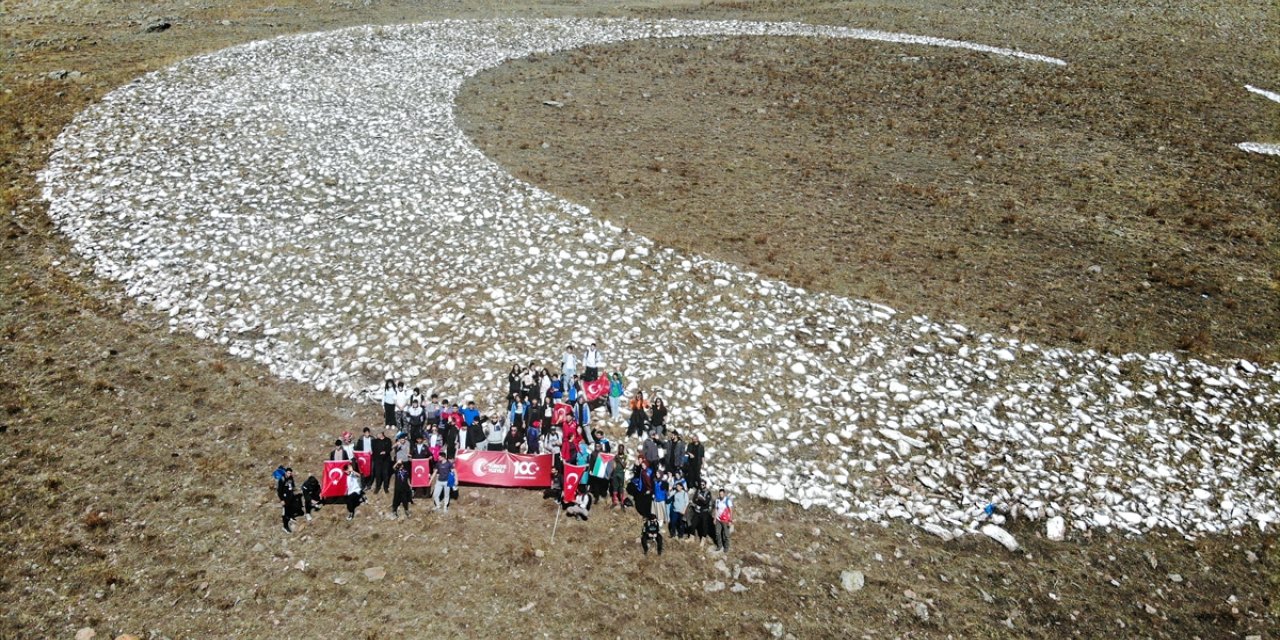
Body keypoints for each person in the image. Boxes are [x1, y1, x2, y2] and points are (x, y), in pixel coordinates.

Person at [276, 467, 305, 532]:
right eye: (288, 473)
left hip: (290, 497)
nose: (289, 474)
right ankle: (285, 526)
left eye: (290, 473)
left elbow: (292, 486)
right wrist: (281, 500)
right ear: (286, 472)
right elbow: (279, 491)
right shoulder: (282, 479)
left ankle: (291, 517)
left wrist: (296, 490)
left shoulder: (291, 478)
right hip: (285, 498)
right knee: (285, 512)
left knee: (292, 507)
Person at [371, 429, 393, 494]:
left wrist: (385, 452)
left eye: (378, 434)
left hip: (386, 460)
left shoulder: (387, 440)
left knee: (385, 474)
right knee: (378, 474)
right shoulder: (374, 441)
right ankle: (377, 487)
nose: (376, 435)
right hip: (377, 460)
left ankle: (386, 487)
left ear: (381, 434)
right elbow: (374, 450)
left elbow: (389, 448)